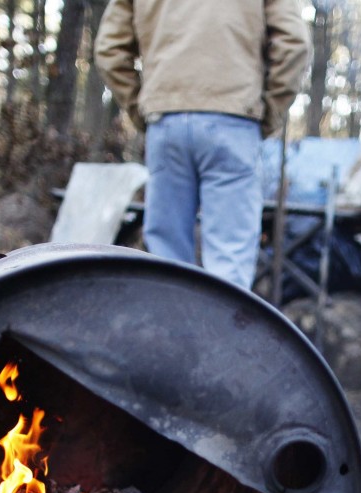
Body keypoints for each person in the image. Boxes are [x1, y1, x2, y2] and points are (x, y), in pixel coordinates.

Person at [95, 0, 311, 291]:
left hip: (166, 119)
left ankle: (169, 333)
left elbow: (109, 50)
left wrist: (140, 107)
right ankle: (222, 335)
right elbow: (294, 44)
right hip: (233, 119)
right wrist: (268, 112)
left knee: (165, 262)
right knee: (230, 260)